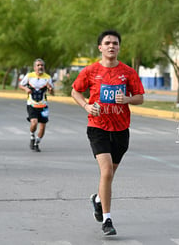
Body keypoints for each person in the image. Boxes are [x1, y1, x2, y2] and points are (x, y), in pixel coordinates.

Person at [71, 30, 145, 236]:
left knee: (109, 176)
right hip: (98, 127)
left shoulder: (128, 72)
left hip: (121, 129)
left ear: (119, 47)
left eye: (115, 43)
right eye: (107, 43)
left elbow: (140, 97)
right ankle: (107, 220)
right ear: (100, 48)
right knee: (106, 172)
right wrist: (86, 106)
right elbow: (75, 91)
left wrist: (128, 99)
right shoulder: (90, 71)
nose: (111, 46)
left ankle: (97, 199)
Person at [19, 58, 54, 152]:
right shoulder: (29, 76)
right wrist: (26, 89)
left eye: (42, 65)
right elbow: (21, 85)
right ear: (34, 67)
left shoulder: (48, 78)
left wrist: (50, 89)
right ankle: (32, 136)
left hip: (43, 106)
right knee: (34, 123)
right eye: (38, 65)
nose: (40, 67)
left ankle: (37, 143)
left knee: (42, 127)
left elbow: (52, 92)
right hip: (32, 104)